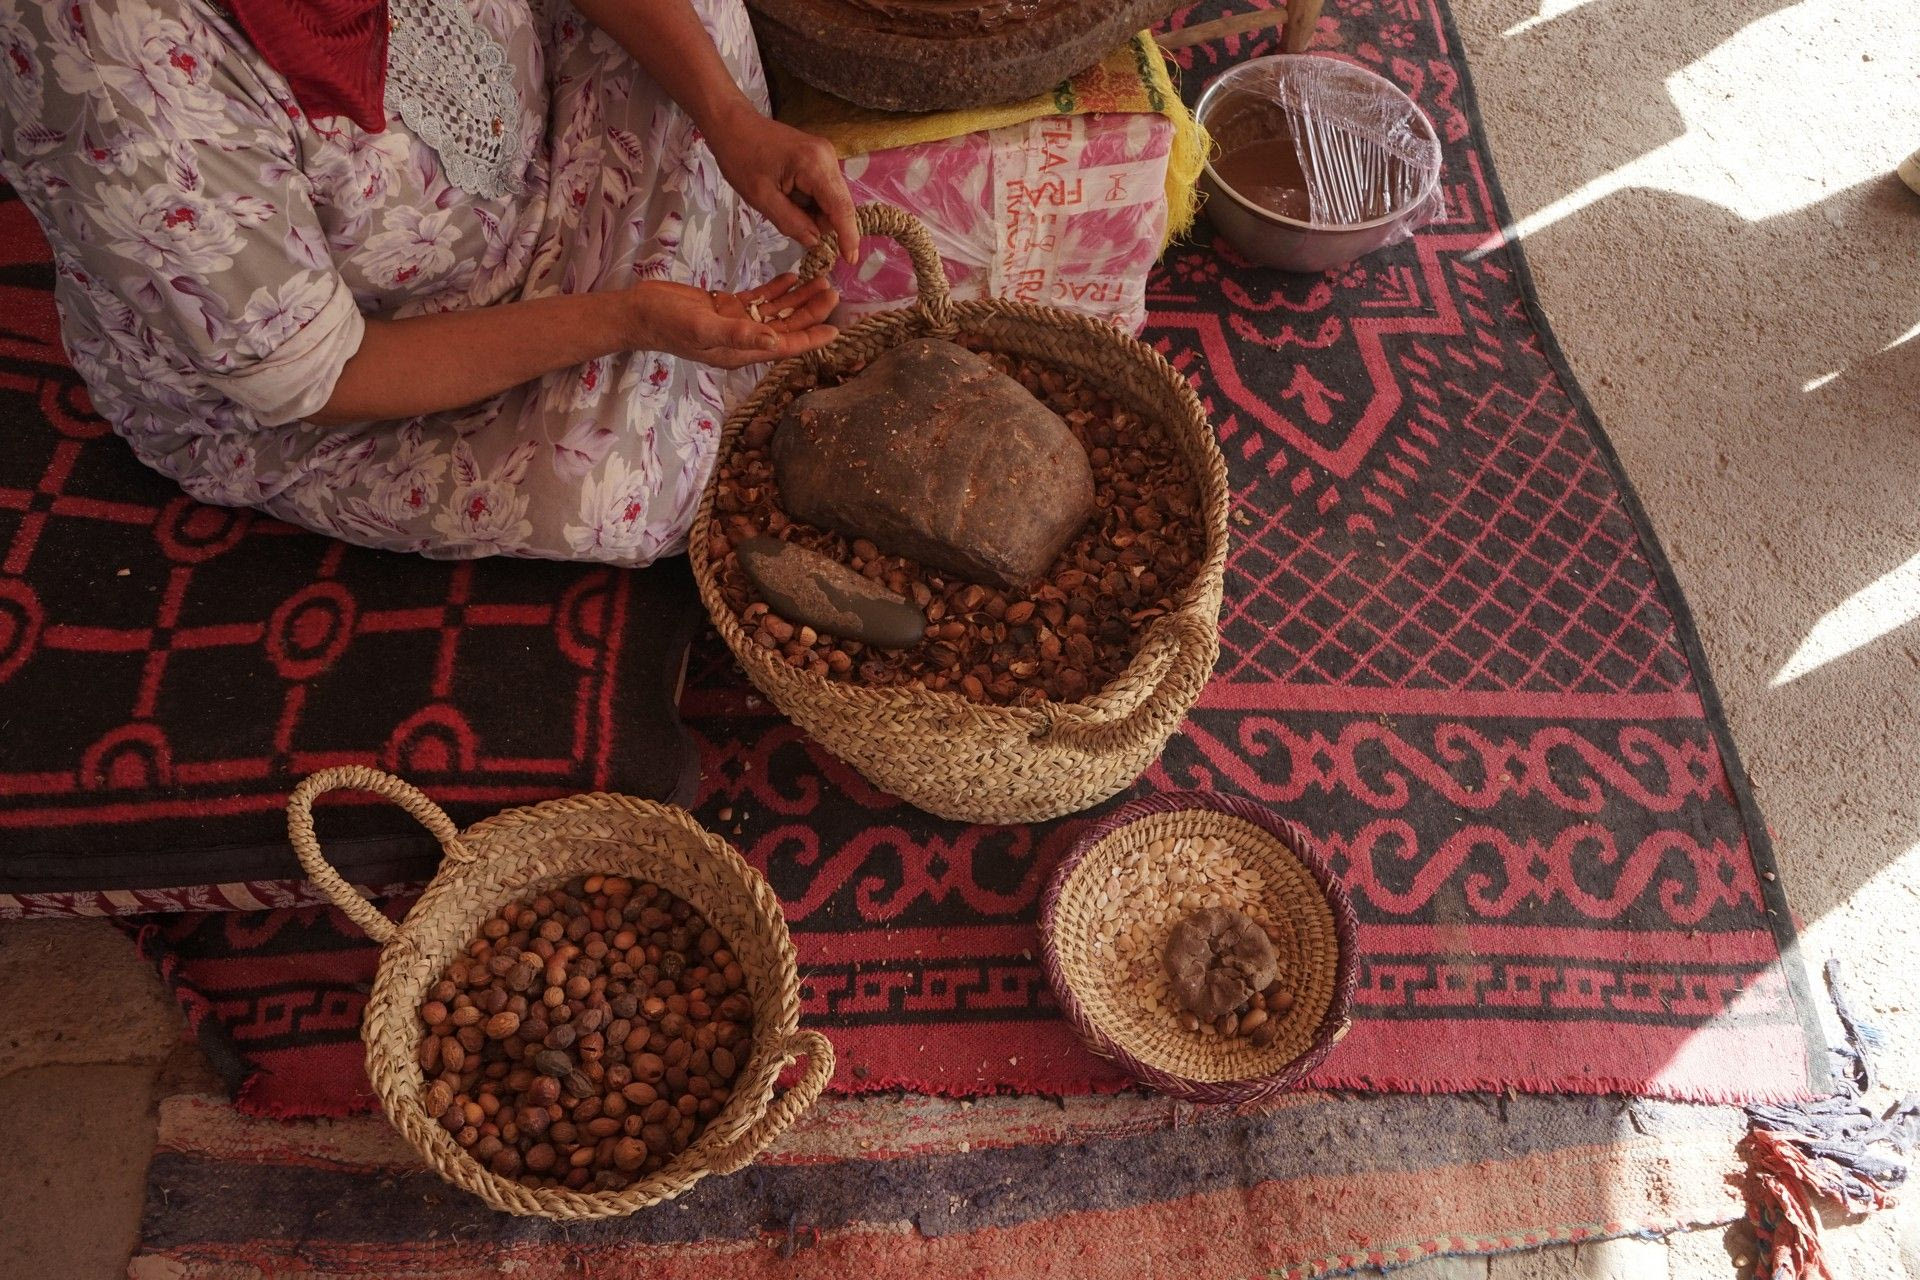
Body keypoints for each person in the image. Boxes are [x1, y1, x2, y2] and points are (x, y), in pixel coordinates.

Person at [0, 0, 858, 564]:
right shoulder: (120, 62)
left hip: (543, 146)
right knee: (615, 490)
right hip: (369, 359)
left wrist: (731, 119)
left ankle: (678, 318)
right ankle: (674, 329)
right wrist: (628, 320)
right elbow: (321, 374)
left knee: (701, 14)